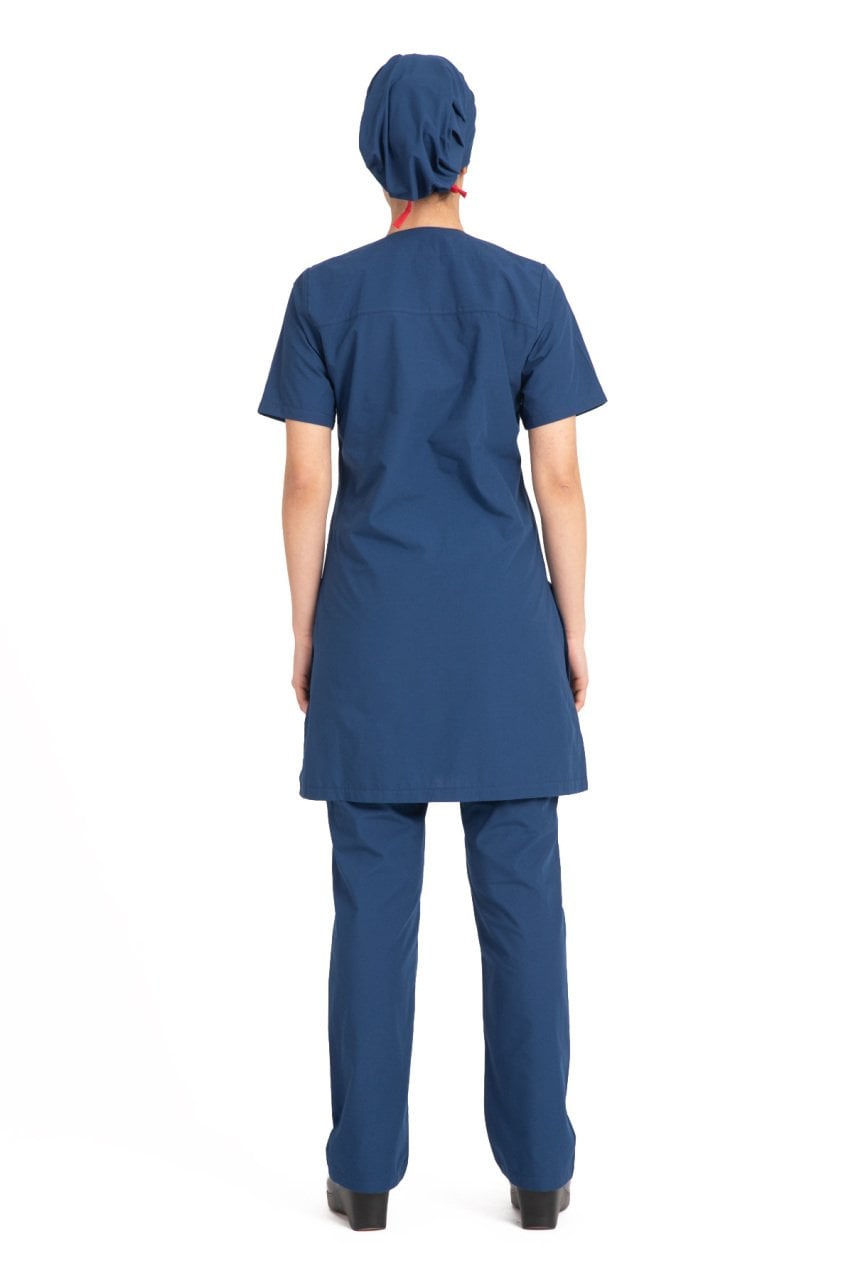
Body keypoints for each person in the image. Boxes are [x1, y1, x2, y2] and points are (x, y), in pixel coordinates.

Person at [257, 52, 607, 1231]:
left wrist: (307, 628)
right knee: (523, 908)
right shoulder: (529, 289)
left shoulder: (324, 295)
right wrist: (571, 630)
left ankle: (363, 1176)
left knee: (371, 908)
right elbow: (560, 482)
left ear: (374, 154)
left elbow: (304, 484)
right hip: (505, 635)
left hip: (371, 630)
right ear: (465, 147)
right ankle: (540, 1174)